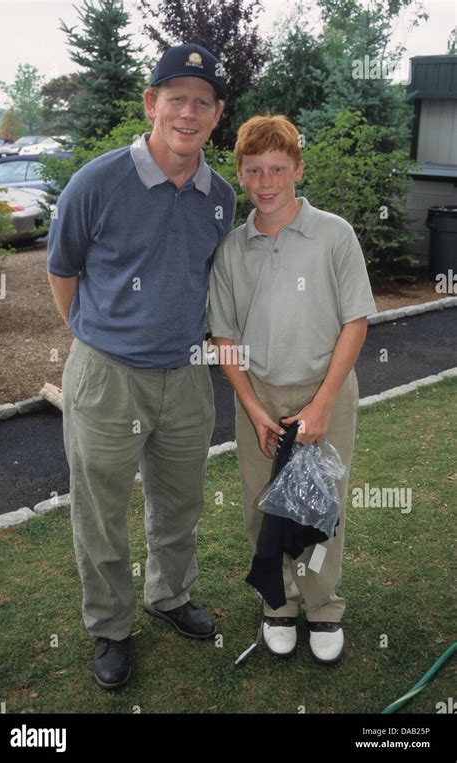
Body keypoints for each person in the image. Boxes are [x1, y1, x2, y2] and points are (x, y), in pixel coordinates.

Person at [47, 43, 236, 690]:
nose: (188, 111)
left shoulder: (222, 197)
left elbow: (206, 279)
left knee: (179, 503)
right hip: (107, 377)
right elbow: (62, 270)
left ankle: (170, 594)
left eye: (202, 100)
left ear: (217, 115)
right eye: (175, 97)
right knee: (100, 511)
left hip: (186, 376)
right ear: (151, 103)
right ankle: (110, 626)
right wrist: (94, 337)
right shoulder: (96, 183)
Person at [207, 115, 377, 663]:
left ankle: (323, 607)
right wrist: (254, 410)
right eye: (253, 170)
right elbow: (225, 337)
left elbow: (355, 321)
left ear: (298, 169)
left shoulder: (334, 234)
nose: (266, 181)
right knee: (263, 505)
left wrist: (323, 404)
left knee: (320, 504)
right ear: (240, 174)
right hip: (258, 393)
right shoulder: (233, 248)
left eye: (278, 168)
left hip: (323, 389)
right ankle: (277, 604)